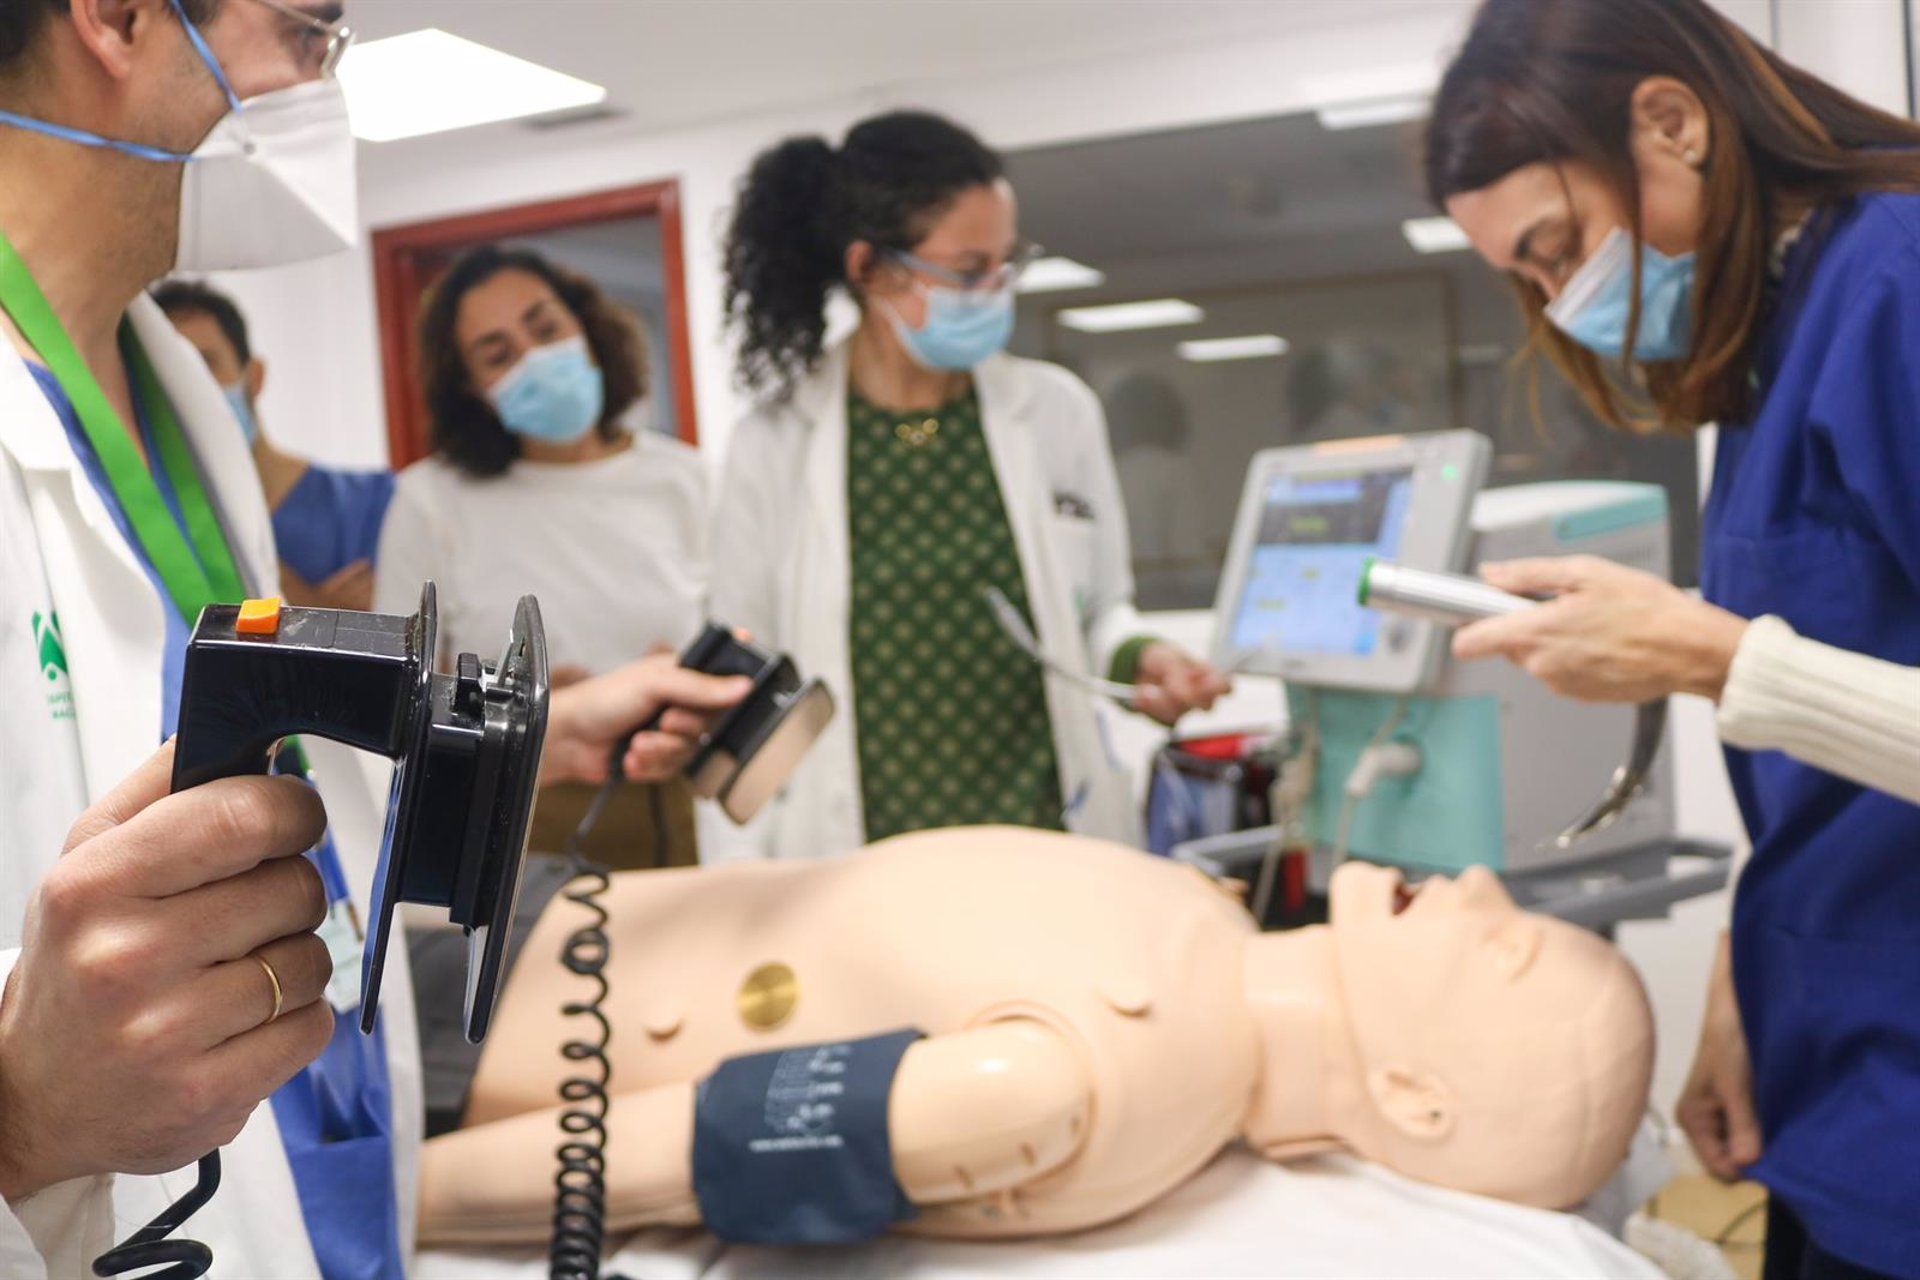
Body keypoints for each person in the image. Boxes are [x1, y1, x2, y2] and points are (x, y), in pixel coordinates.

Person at [0, 3, 745, 1277]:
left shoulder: (174, 384)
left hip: (319, 1095)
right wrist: (21, 1116)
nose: (318, 89)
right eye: (304, 33)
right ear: (118, 20)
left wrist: (533, 735)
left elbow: (263, 748)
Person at [1424, 2, 1920, 1275]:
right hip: (1841, 1071)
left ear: (1672, 121)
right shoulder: (1772, 339)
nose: (1561, 300)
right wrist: (1744, 983)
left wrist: (1711, 658)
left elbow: (1769, 671)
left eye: (1560, 246)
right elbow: (1831, 762)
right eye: (1524, 279)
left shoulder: (1898, 284)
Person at [412, 833, 1651, 1244]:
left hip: (450, 1029)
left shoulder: (1076, 1080)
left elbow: (688, 1143)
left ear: (1415, 1096)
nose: (1483, 880)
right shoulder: (1203, 921)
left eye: (1506, 947)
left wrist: (366, 1196)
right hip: (520, 908)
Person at [714, 110, 1229, 857]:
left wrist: (1145, 659)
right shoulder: (773, 443)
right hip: (856, 850)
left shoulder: (1055, 412)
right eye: (967, 270)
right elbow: (744, 679)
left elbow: (1099, 615)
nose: (996, 289)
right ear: (869, 269)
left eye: (1006, 263)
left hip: (1045, 832)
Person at [376, 243, 712, 868]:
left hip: (680, 811)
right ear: (472, 389)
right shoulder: (431, 502)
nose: (536, 359)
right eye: (499, 354)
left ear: (585, 324)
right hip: (514, 826)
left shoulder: (684, 480)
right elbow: (395, 702)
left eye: (545, 327)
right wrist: (528, 711)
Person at [155, 277, 395, 611]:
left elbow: (393, 635)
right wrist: (319, 614)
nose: (190, 388)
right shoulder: (158, 520)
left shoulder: (373, 502)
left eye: (205, 363)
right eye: (166, 371)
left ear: (253, 376)